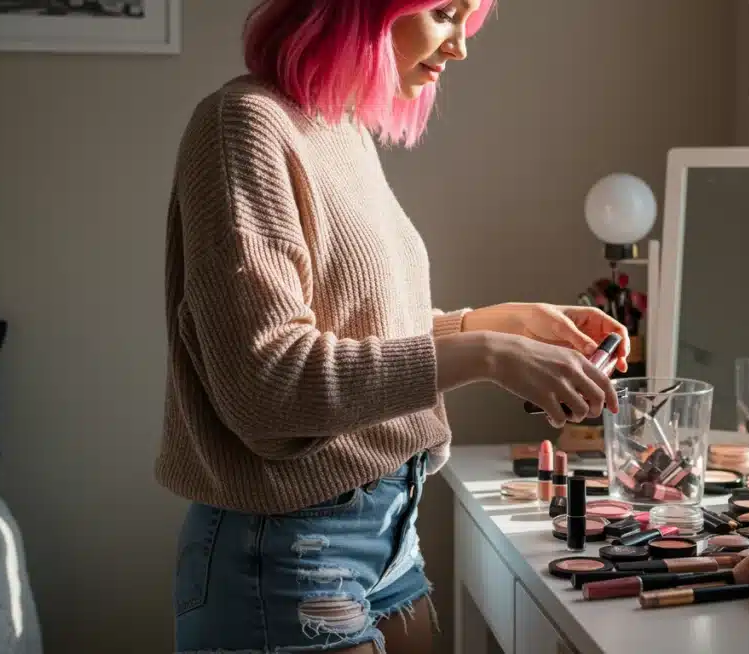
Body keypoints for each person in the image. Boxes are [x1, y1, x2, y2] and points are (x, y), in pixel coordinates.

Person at [156, 1, 629, 652]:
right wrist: (487, 354)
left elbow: (355, 336)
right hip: (288, 548)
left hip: (388, 530)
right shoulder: (243, 126)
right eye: (442, 12)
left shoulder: (339, 128)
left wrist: (499, 323)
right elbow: (268, 384)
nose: (459, 46)